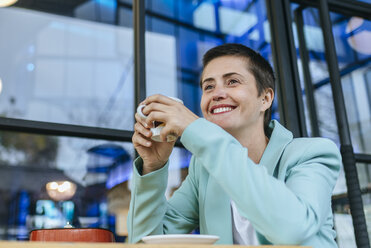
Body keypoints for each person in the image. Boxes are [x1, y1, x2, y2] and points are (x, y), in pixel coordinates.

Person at [128, 43, 341, 247]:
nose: (217, 94)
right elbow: (145, 243)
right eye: (208, 86)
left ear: (265, 99)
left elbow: (292, 230)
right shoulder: (203, 170)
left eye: (232, 82)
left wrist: (196, 129)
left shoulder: (313, 154)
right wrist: (153, 167)